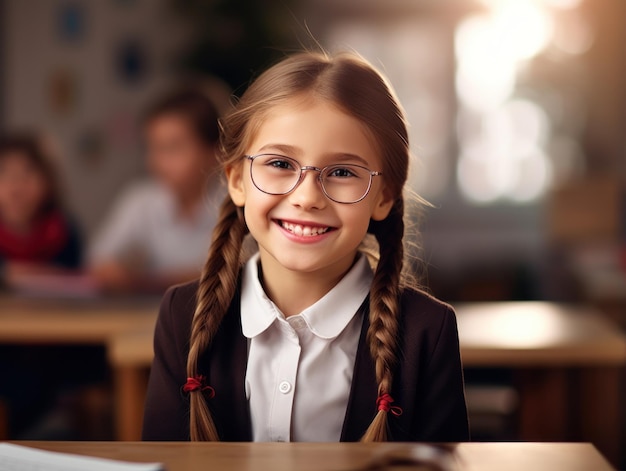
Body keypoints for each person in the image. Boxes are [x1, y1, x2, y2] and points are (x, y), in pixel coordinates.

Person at [142, 51, 469, 442]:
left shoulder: (427, 332)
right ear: (236, 180)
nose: (307, 197)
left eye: (343, 172)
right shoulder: (182, 315)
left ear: (383, 196)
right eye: (280, 164)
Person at [89, 85, 226, 293]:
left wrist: (142, 279)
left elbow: (233, 273)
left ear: (215, 151)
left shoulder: (236, 203)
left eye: (173, 148)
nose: (157, 162)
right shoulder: (142, 200)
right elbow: (99, 264)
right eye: (152, 147)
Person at [0, 134, 82, 286]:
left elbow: (80, 280)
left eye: (27, 174)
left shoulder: (64, 232)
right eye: (3, 174)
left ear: (47, 183)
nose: (15, 188)